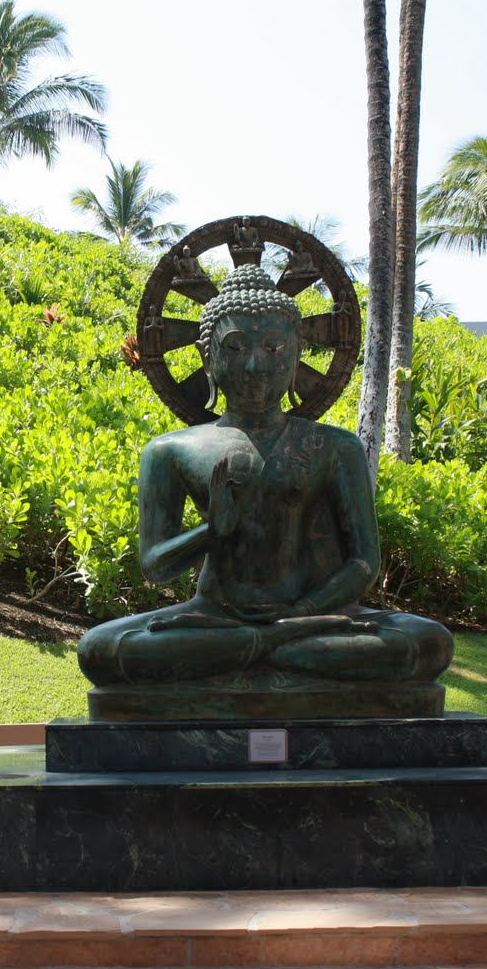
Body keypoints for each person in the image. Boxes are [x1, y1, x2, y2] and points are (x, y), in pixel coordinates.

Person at [78, 264, 452, 688]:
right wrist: (210, 531)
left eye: (275, 348)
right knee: (100, 649)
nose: (256, 366)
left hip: (312, 617)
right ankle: (274, 646)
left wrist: (304, 612)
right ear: (208, 356)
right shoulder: (171, 451)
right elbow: (155, 567)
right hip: (216, 616)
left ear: (296, 357)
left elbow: (363, 562)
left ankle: (254, 646)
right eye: (236, 349)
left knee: (427, 642)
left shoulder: (336, 447)